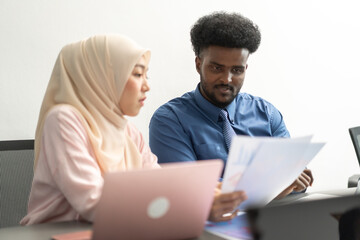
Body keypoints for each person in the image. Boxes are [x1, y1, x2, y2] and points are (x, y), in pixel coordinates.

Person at [20, 34, 245, 225]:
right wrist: (196, 205)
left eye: (146, 75)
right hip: (57, 233)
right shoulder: (63, 120)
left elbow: (159, 183)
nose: (146, 85)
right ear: (100, 77)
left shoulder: (127, 131)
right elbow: (94, 203)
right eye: (137, 74)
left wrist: (206, 192)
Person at [149, 12, 313, 198]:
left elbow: (291, 174)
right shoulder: (170, 120)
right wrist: (269, 184)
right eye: (217, 68)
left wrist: (298, 180)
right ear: (198, 64)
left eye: (236, 70)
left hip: (274, 221)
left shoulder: (266, 114)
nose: (227, 79)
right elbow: (189, 189)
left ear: (245, 69)